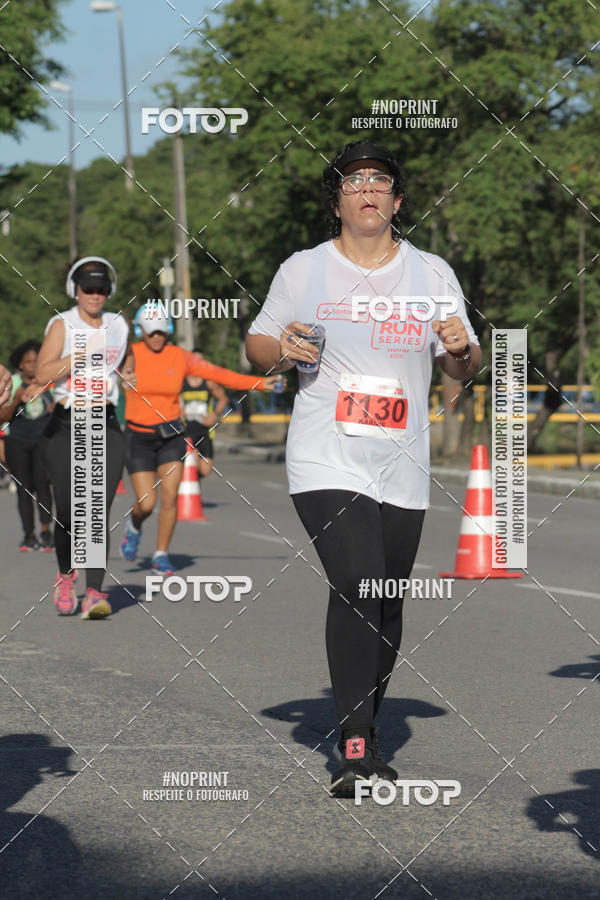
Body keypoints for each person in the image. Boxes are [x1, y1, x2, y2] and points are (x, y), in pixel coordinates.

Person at [246, 140, 481, 796]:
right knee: (357, 581)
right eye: (355, 181)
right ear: (338, 202)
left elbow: (464, 361)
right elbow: (260, 340)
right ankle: (351, 747)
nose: (368, 189)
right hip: (327, 452)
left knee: (386, 599)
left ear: (397, 202)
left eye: (380, 180)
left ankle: (367, 726)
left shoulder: (431, 274)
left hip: (403, 458)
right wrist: (281, 345)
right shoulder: (304, 270)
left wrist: (463, 349)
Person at [120, 302, 277, 575]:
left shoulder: (179, 356)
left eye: (161, 331)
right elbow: (96, 370)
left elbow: (218, 375)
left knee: (170, 498)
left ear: (167, 330)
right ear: (139, 331)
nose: (156, 337)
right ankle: (134, 525)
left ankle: (160, 554)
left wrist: (261, 383)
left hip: (171, 435)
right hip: (139, 437)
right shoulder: (129, 354)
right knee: (147, 503)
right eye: (150, 332)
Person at [36, 256, 135, 619]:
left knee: (96, 511)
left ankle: (94, 592)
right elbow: (44, 372)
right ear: (74, 290)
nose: (95, 296)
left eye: (101, 289)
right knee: (67, 512)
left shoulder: (118, 324)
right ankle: (66, 576)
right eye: (88, 289)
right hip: (66, 423)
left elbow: (125, 361)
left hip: (105, 422)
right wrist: (79, 354)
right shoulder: (62, 324)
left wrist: (129, 374)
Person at [0, 340, 54, 550]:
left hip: (43, 439)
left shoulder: (49, 381)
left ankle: (46, 529)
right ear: (20, 364)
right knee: (23, 489)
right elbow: (2, 417)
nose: (33, 365)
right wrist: (17, 399)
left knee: (43, 485)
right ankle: (29, 534)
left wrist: (53, 406)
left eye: (37, 361)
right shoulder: (12, 382)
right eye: (28, 362)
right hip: (17, 441)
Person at [180, 348, 228, 478]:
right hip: (187, 429)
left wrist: (214, 414)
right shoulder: (181, 382)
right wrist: (179, 412)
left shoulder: (209, 382)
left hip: (206, 429)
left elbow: (223, 399)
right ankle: (190, 492)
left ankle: (192, 485)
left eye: (200, 361)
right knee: (192, 462)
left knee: (205, 471)